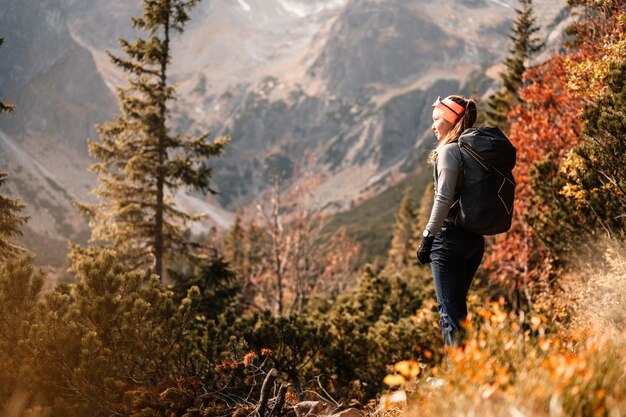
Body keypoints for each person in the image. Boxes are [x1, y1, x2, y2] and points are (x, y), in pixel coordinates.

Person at [416, 95, 483, 347]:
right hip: (474, 242)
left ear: (452, 119)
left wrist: (427, 238)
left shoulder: (449, 151)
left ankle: (457, 379)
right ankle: (464, 373)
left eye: (437, 120)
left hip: (449, 243)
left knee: (449, 314)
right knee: (458, 313)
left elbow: (443, 199)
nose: (433, 126)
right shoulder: (472, 151)